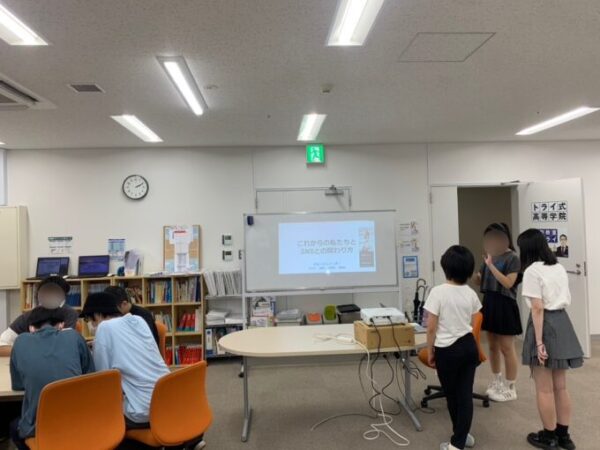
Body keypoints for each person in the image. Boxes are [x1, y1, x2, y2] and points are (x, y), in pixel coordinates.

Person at [518, 229, 583, 450]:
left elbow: (537, 308)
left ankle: (549, 437)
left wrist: (538, 342)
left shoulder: (531, 271)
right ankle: (564, 436)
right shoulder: (558, 267)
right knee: (561, 386)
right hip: (563, 322)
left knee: (544, 388)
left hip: (544, 325)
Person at [9, 307, 94, 450]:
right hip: (81, 424)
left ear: (31, 328)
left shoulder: (20, 341)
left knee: (14, 426)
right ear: (61, 325)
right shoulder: (74, 337)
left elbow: (18, 385)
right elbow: (90, 376)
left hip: (40, 429)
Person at [80, 292, 169, 428]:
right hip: (169, 399)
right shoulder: (138, 320)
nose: (91, 325)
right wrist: (99, 344)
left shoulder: (104, 327)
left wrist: (97, 349)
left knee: (93, 413)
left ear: (97, 314)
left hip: (144, 410)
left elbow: (102, 379)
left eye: (89, 320)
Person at [425, 245, 482, 450]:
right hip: (468, 347)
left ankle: (457, 443)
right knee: (465, 395)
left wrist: (430, 351)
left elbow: (431, 328)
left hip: (447, 350)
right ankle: (462, 435)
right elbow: (474, 319)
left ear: (445, 268)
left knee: (452, 396)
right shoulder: (470, 293)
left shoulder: (437, 292)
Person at [478, 223, 521, 402]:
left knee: (506, 347)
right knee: (492, 346)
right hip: (489, 302)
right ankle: (497, 381)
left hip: (505, 304)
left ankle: (510, 387)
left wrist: (491, 266)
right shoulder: (491, 256)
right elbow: (480, 280)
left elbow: (508, 283)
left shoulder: (513, 258)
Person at [0, 276, 79, 357]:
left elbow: (65, 346)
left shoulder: (69, 314)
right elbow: (2, 346)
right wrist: (25, 351)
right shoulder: (29, 316)